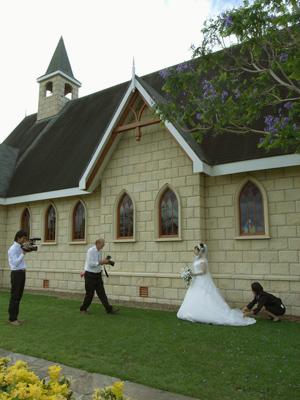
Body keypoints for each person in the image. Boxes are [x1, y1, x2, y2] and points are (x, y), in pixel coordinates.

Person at [177, 243, 256, 326]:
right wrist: (189, 273)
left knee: (204, 296)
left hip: (201, 280)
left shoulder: (203, 260)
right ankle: (191, 312)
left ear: (200, 251)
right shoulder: (197, 259)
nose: (194, 252)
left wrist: (193, 274)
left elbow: (204, 272)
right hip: (196, 281)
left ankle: (205, 314)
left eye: (195, 250)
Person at [79, 238, 119, 315]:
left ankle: (109, 309)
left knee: (102, 293)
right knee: (90, 294)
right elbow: (91, 263)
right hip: (90, 275)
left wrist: (107, 262)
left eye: (103, 244)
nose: (103, 246)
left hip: (97, 275)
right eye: (102, 244)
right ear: (97, 243)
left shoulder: (100, 251)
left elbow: (98, 263)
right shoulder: (90, 251)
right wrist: (102, 262)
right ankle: (83, 309)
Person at [7, 230, 28, 326]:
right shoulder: (12, 249)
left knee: (18, 296)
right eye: (23, 238)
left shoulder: (20, 247)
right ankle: (12, 319)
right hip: (16, 274)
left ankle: (15, 317)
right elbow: (15, 263)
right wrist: (23, 253)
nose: (25, 240)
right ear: (18, 238)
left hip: (21, 273)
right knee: (15, 296)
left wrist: (25, 250)